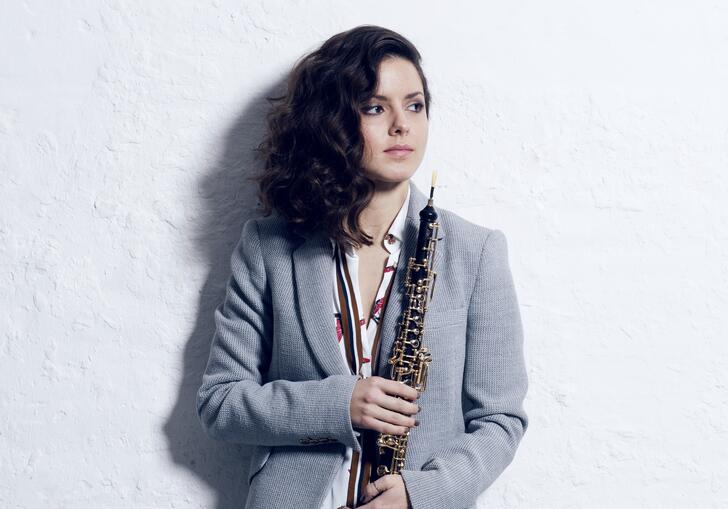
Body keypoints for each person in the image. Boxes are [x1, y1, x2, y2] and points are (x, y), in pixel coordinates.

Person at [196, 25, 528, 509]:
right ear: (331, 123)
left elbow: (501, 421)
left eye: (414, 106)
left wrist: (422, 492)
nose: (402, 125)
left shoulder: (474, 253)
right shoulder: (269, 246)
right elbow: (220, 402)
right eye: (375, 107)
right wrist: (339, 403)